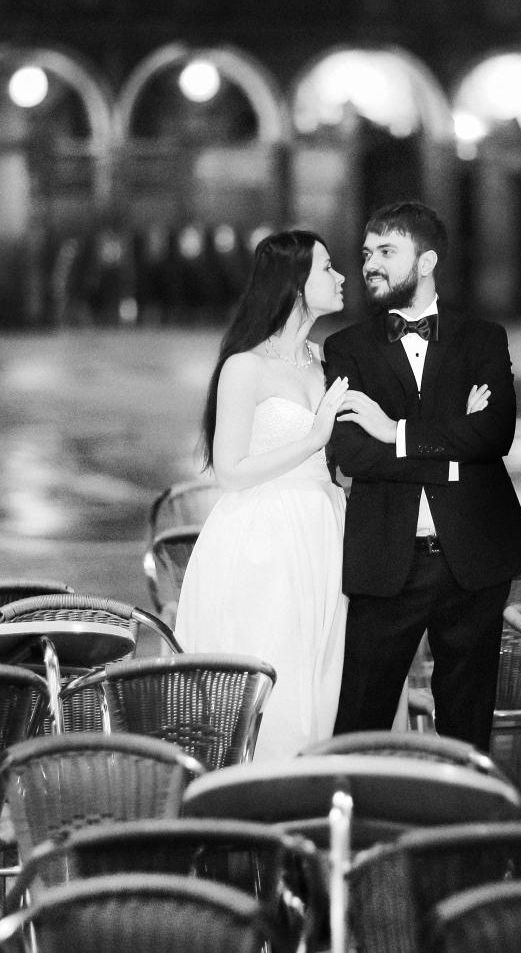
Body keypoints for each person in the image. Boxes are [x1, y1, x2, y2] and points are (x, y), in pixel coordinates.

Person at [323, 199, 521, 751]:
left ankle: (462, 835)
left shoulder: (483, 338)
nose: (371, 264)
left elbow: (494, 437)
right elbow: (351, 454)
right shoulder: (346, 348)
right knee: (361, 725)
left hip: (475, 557)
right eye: (368, 252)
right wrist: (451, 442)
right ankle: (353, 829)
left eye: (386, 252)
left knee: (467, 730)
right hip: (386, 558)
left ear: (426, 262)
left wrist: (394, 432)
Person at [174, 229, 351, 761]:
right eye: (326, 267)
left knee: (327, 680)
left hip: (327, 528)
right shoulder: (244, 366)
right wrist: (313, 437)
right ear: (295, 284)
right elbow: (229, 471)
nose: (340, 277)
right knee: (275, 681)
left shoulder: (328, 360)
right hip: (265, 539)